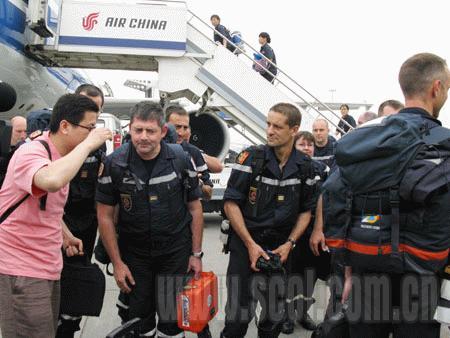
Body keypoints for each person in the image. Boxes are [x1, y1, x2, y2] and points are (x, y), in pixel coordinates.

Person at [342, 53, 450, 338]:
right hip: (423, 273)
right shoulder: (446, 144)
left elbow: (336, 200)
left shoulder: (366, 141)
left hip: (368, 263)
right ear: (436, 88)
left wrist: (347, 270)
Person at [0, 94, 112, 338]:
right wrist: (87, 145)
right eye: (89, 128)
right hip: (23, 269)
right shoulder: (31, 153)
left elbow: (43, 204)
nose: (93, 134)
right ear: (64, 126)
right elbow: (50, 181)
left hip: (46, 265)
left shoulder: (59, 157)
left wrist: (65, 234)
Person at [96, 102, 204, 338]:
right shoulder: (114, 164)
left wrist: (195, 255)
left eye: (150, 131)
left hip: (173, 255)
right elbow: (104, 216)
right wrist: (117, 263)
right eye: (138, 130)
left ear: (163, 132)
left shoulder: (182, 160)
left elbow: (195, 209)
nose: (143, 137)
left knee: (171, 321)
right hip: (135, 257)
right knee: (139, 322)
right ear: (130, 129)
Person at [220, 103, 317, 338]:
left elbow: (306, 211)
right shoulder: (251, 158)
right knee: (238, 316)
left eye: (277, 126)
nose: (270, 130)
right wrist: (251, 245)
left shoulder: (305, 166)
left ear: (294, 130)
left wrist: (290, 244)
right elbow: (230, 203)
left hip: (280, 249)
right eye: (268, 124)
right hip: (246, 245)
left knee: (273, 317)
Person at [56, 84, 106, 338]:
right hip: (57, 221)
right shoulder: (52, 142)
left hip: (85, 223)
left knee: (78, 280)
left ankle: (69, 327)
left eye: (95, 110)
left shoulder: (98, 145)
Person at [282, 131, 331, 334]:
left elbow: (328, 198)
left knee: (309, 276)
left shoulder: (322, 169)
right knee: (288, 275)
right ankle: (285, 316)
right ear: (294, 146)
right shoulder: (286, 168)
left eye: (310, 145)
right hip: (290, 232)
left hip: (314, 232)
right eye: (302, 144)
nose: (307, 148)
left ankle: (302, 313)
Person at [166, 105, 220, 200]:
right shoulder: (151, 149)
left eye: (185, 128)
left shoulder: (193, 152)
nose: (181, 133)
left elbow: (208, 195)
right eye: (177, 127)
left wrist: (197, 183)